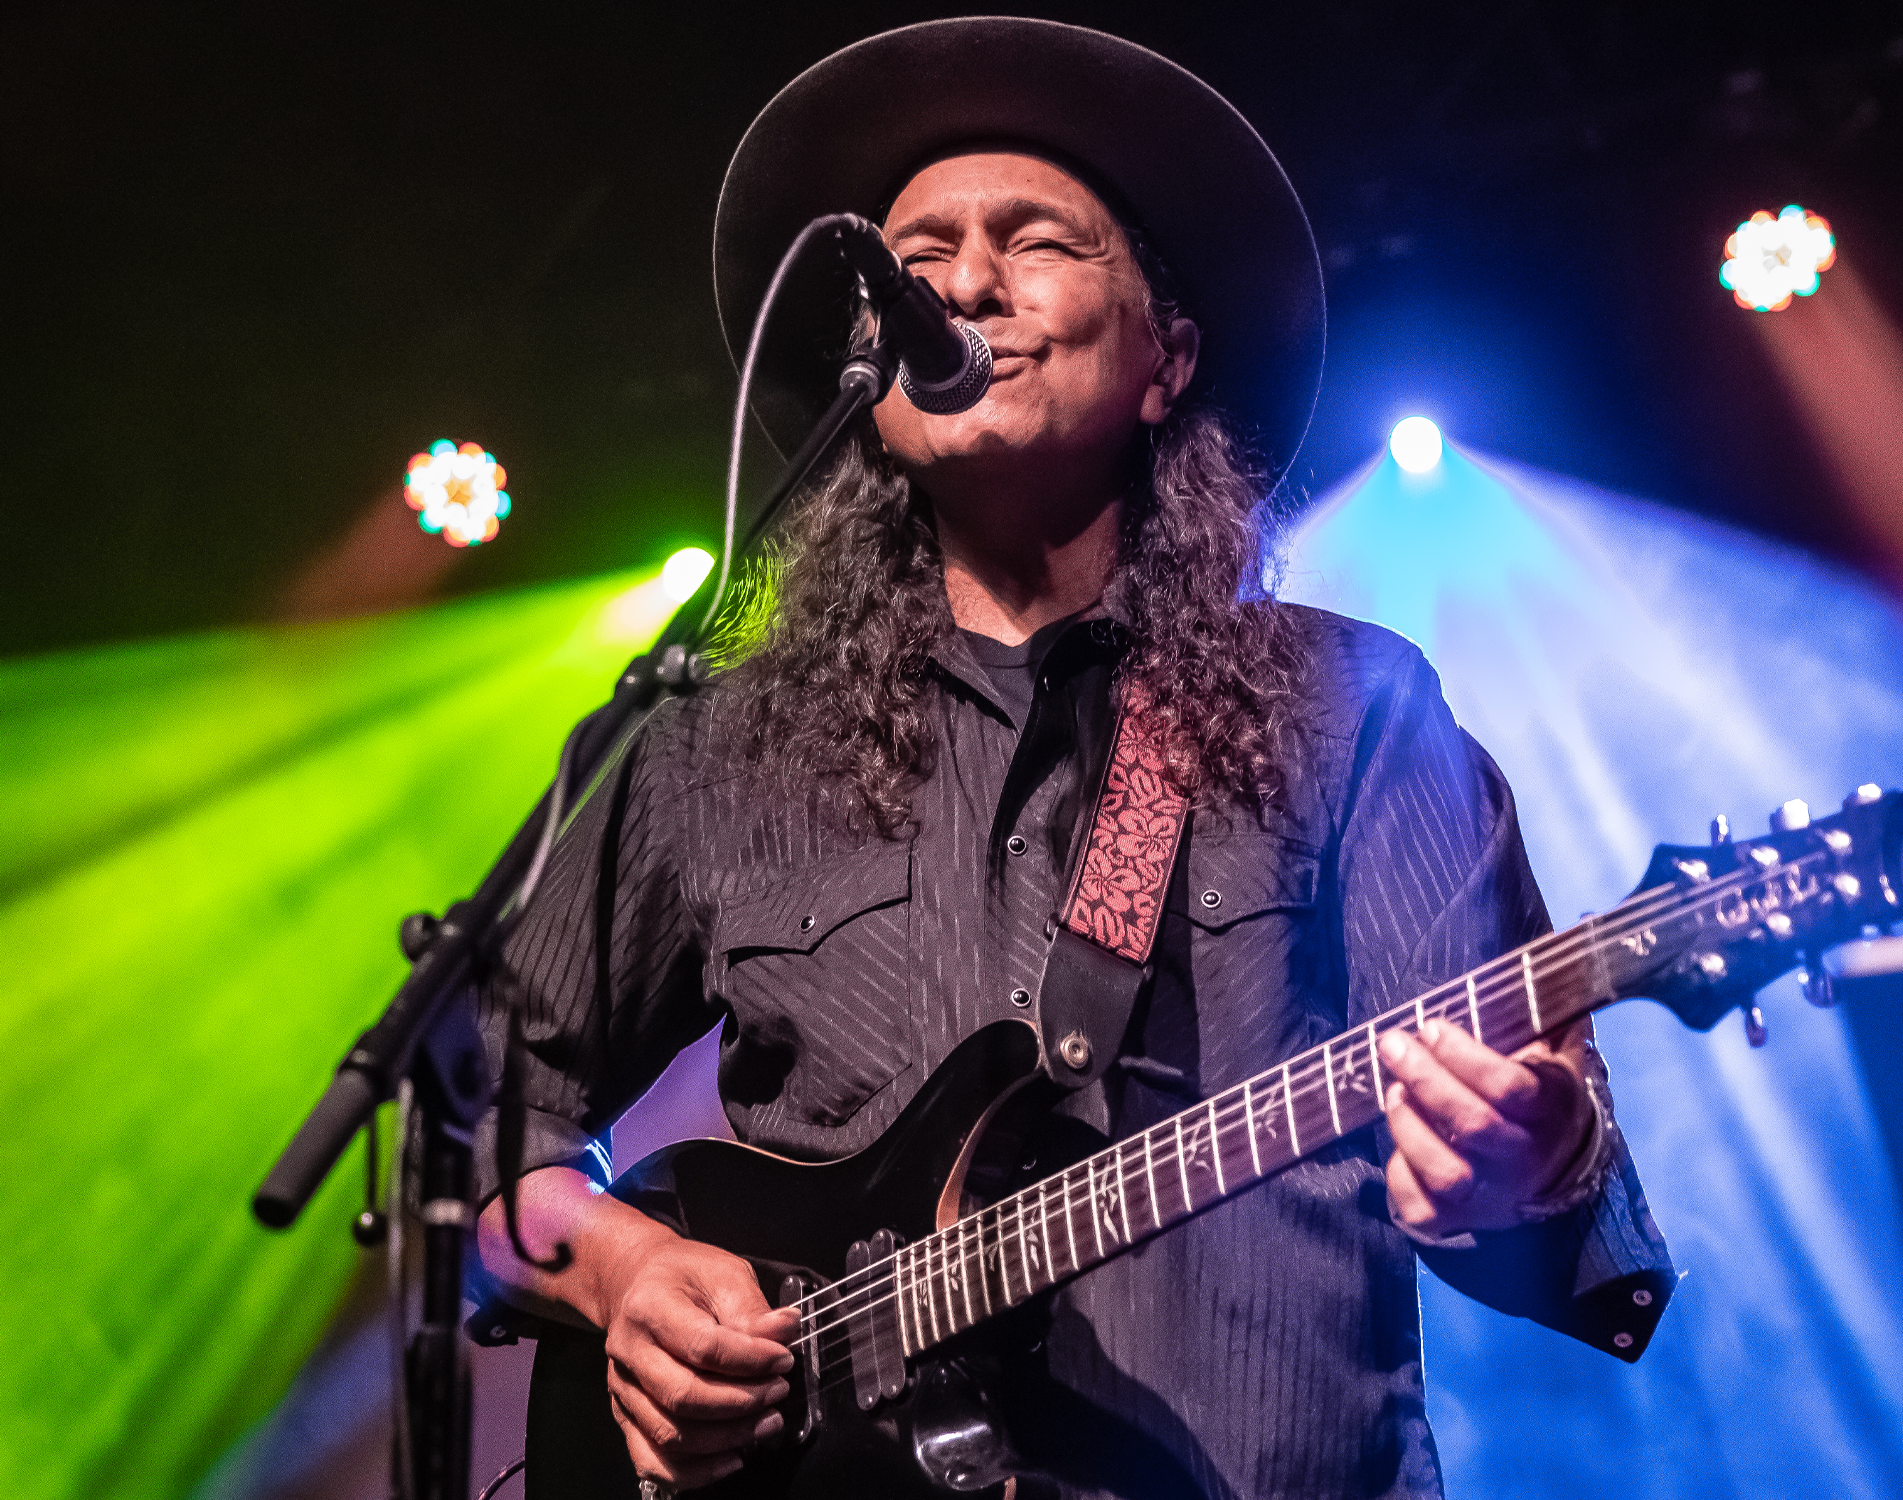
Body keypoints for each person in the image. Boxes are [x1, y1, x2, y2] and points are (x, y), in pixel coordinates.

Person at [473, 19, 1673, 1499]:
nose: (963, 285)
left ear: (1169, 361)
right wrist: (621, 1269)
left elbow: (1542, 1186)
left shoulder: (1349, 707)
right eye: (915, 257)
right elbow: (481, 1136)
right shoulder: (715, 743)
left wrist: (1532, 1157)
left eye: (1035, 241)